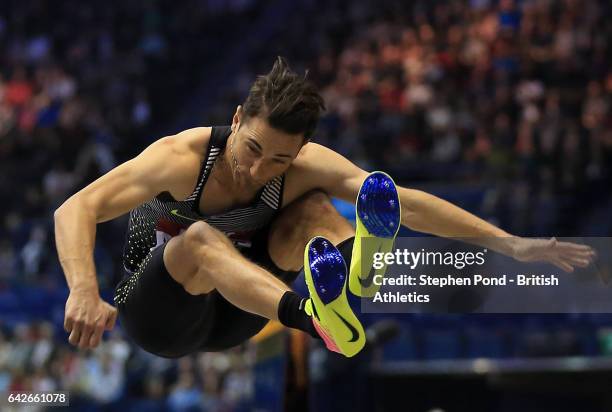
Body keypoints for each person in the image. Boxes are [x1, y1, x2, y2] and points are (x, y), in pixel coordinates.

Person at [54, 57, 595, 358]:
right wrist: (83, 288)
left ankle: (356, 277)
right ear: (238, 118)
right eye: (252, 150)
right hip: (159, 314)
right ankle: (313, 316)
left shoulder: (303, 164)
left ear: (300, 149)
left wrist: (509, 243)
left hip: (243, 308)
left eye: (279, 160)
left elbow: (401, 202)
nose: (258, 170)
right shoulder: (181, 157)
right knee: (197, 240)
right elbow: (75, 208)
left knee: (321, 206)